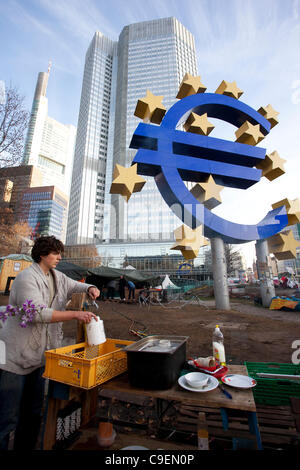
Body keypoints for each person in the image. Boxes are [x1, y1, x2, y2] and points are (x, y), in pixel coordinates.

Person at [0, 235, 100, 450]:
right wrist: (74, 314)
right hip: (14, 359)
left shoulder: (57, 276)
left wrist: (90, 288)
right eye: (55, 253)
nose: (59, 257)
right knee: (6, 419)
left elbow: (77, 286)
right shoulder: (26, 278)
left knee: (32, 415)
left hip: (37, 359)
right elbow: (36, 313)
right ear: (43, 254)